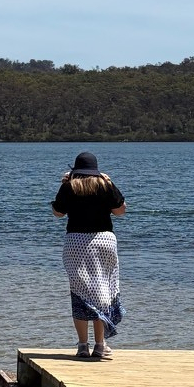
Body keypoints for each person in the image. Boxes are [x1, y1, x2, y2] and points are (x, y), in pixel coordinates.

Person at [52, 150, 125, 359]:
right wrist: (110, 183)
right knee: (102, 290)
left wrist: (64, 184)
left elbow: (58, 213)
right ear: (96, 170)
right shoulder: (104, 185)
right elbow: (120, 211)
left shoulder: (69, 187)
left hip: (76, 242)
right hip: (104, 241)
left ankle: (83, 345)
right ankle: (100, 345)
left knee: (79, 292)